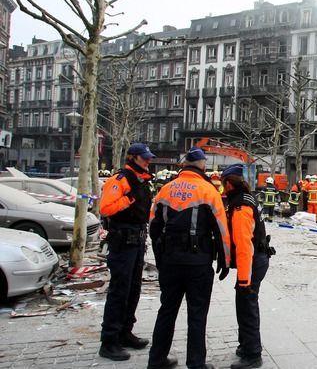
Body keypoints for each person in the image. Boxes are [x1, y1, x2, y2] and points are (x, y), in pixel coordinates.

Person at [148, 147, 231, 369]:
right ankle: (196, 364)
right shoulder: (208, 190)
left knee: (166, 310)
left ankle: (156, 360)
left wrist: (160, 258)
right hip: (198, 261)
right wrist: (225, 260)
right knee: (197, 314)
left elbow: (153, 227)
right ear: (202, 165)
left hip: (170, 260)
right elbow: (221, 229)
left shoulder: (165, 190)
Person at [99, 143, 155, 361]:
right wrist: (128, 199)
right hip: (123, 242)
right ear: (132, 158)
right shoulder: (120, 180)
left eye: (148, 158)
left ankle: (125, 332)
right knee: (119, 291)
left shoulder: (143, 180)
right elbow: (105, 208)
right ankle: (109, 341)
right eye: (144, 158)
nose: (148, 161)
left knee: (133, 289)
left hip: (137, 240)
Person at [221, 164, 275, 369]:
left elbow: (244, 245)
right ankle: (246, 345)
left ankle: (253, 354)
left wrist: (244, 280)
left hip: (253, 261)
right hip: (257, 259)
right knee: (245, 304)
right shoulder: (247, 197)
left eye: (222, 183)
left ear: (228, 183)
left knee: (247, 305)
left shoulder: (241, 205)